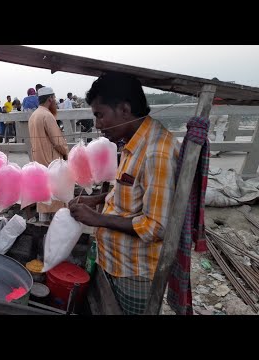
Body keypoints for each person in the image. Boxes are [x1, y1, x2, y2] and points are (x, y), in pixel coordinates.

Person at [68, 72, 178, 315]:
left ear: (125, 109)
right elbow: (130, 193)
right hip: (115, 262)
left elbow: (156, 226)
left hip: (135, 273)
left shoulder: (156, 152)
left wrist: (98, 219)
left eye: (100, 115)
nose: (96, 124)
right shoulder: (133, 143)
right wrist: (96, 200)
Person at [28, 86, 68, 223]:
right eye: (55, 99)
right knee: (56, 202)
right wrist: (66, 153)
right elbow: (58, 142)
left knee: (43, 198)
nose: (55, 102)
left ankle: (42, 230)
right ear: (50, 99)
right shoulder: (47, 115)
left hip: (39, 163)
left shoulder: (33, 115)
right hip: (51, 163)